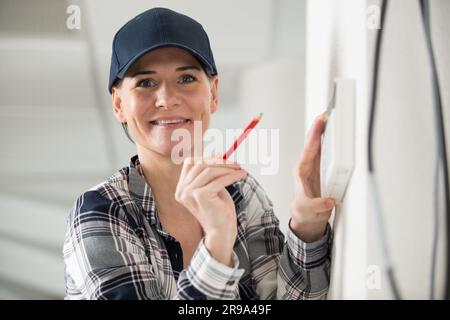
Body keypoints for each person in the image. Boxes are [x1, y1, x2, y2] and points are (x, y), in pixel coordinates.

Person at [63, 7, 335, 300]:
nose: (167, 99)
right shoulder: (100, 211)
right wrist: (216, 244)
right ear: (119, 105)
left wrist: (307, 223)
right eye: (145, 83)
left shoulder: (242, 194)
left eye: (186, 79)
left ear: (214, 93)